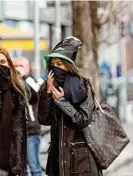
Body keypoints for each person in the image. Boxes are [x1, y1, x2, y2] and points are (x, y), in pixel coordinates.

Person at [38, 36, 103, 176]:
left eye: (60, 64)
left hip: (80, 160)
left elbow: (83, 120)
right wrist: (47, 94)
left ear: (69, 66)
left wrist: (62, 101)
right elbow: (43, 119)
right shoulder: (48, 87)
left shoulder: (82, 86)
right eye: (53, 65)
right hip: (57, 158)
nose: (56, 68)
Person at [0, 47, 28, 176]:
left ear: (9, 64)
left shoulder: (18, 89)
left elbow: (20, 129)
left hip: (12, 157)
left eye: (2, 62)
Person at [13, 57, 42, 176]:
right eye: (15, 66)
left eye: (20, 65)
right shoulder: (11, 83)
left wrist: (23, 78)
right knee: (21, 168)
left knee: (34, 165)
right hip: (16, 132)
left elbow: (36, 94)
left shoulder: (33, 80)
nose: (17, 68)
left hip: (31, 130)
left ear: (28, 68)